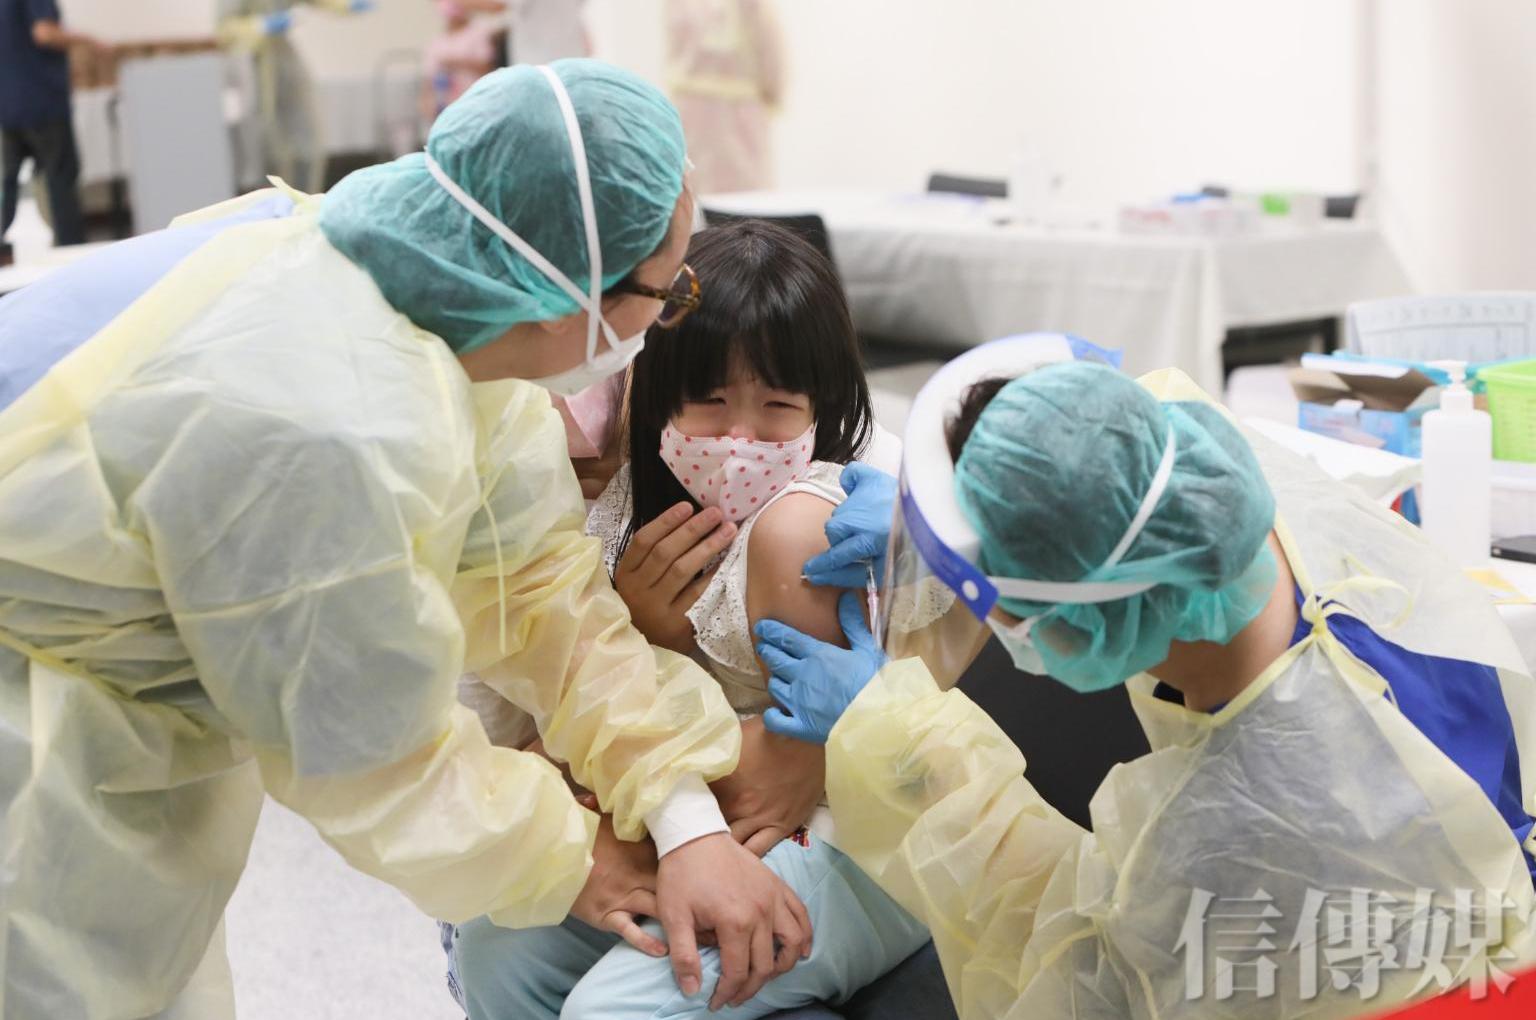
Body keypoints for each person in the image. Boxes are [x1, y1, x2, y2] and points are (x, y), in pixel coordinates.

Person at [0, 61, 811, 1019]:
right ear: (571, 295)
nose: (669, 314)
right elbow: (372, 757)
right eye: (668, 295)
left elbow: (541, 592)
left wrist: (682, 818)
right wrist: (583, 858)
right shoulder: (328, 425)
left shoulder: (443, 312)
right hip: (32, 739)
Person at [755, 341, 1536, 1018]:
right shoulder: (1225, 496)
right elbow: (1100, 452)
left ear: (1080, 619)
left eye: (989, 594)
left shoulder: (1240, 839)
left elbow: (1073, 969)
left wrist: (892, 736)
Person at [450, 220, 936, 1019]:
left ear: (821, 403)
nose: (739, 442)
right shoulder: (622, 507)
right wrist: (646, 635)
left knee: (611, 1009)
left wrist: (774, 760)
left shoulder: (809, 524)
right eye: (708, 404)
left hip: (836, 834)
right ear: (650, 393)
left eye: (778, 407)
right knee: (493, 951)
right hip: (705, 809)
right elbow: (544, 713)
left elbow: (789, 775)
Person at [218, 1, 373, 194]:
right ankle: (271, 201)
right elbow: (223, 30)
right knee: (266, 143)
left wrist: (346, 4)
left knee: (305, 136)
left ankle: (304, 201)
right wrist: (260, 26)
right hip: (250, 62)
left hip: (281, 58)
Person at [0, 0, 100, 262]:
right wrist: (87, 40)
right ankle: (73, 259)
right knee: (60, 182)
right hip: (42, 101)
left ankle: (7, 258)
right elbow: (44, 33)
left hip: (8, 102)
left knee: (11, 186)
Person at [664, 0, 783, 194]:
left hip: (691, 108)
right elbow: (773, 54)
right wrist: (772, 95)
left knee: (693, 188)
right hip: (737, 111)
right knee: (743, 192)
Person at [423, 0, 499, 119]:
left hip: (479, 107)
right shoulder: (436, 43)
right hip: (448, 112)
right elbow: (428, 84)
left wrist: (456, 63)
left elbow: (489, 67)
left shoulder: (480, 31)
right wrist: (428, 107)